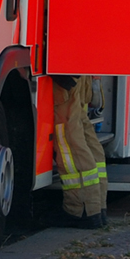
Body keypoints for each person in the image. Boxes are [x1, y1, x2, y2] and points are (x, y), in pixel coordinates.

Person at [48, 74, 108, 229]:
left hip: (66, 76)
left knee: (70, 143)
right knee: (85, 137)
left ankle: (80, 210)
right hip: (77, 75)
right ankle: (97, 207)